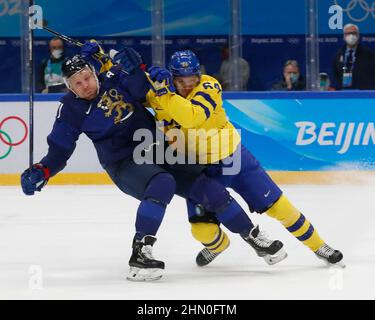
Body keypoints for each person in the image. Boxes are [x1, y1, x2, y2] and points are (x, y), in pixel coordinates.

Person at [20, 47, 286, 282]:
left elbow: (140, 89)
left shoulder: (112, 78)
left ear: (94, 72)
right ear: (69, 87)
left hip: (157, 147)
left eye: (87, 77)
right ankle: (140, 253)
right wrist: (43, 170)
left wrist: (138, 68)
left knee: (211, 189)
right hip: (124, 163)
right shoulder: (70, 109)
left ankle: (254, 237)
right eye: (77, 83)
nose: (85, 85)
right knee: (162, 182)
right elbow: (60, 150)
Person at [140, 50, 343, 266]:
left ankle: (319, 246)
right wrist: (121, 70)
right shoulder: (159, 93)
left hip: (233, 159)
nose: (189, 84)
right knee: (202, 230)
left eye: (193, 79)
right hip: (199, 171)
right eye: (182, 80)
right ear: (173, 78)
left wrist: (164, 93)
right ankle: (218, 246)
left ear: (199, 75)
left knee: (279, 206)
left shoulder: (209, 86)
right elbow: (129, 92)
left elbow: (191, 117)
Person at [333, 24, 375, 90]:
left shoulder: (368, 55)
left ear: (358, 36)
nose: (351, 36)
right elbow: (335, 76)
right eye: (348, 33)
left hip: (363, 93)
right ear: (344, 36)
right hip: (343, 93)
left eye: (354, 33)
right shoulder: (338, 55)